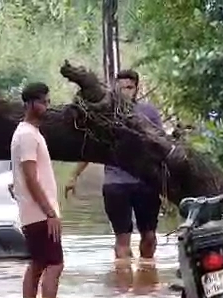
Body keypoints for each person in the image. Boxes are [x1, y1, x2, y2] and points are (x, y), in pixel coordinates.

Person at [64, 69, 164, 260]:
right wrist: (74, 175)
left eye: (129, 87)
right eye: (121, 88)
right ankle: (124, 284)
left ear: (136, 89)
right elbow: (92, 149)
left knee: (149, 236)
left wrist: (166, 183)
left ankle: (147, 277)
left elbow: (161, 146)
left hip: (146, 183)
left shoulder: (148, 112)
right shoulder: (105, 115)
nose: (125, 92)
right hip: (115, 185)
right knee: (122, 239)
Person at [11, 82, 63, 298]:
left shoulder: (30, 133)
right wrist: (50, 212)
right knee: (55, 265)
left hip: (35, 213)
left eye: (48, 101)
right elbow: (31, 178)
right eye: (43, 102)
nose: (47, 107)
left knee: (39, 264)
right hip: (40, 214)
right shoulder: (27, 135)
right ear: (31, 104)